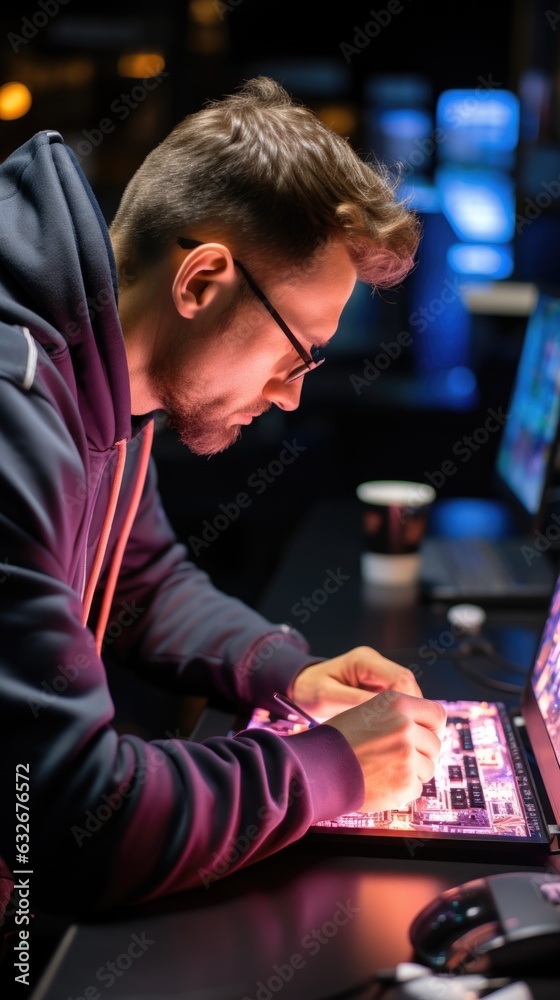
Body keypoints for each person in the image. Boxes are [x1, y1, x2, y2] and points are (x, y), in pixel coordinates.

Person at [0, 76, 446, 914]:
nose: (291, 396)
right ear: (203, 280)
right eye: (298, 353)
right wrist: (332, 768)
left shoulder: (101, 380)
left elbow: (141, 582)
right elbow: (75, 823)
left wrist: (288, 673)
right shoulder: (13, 413)